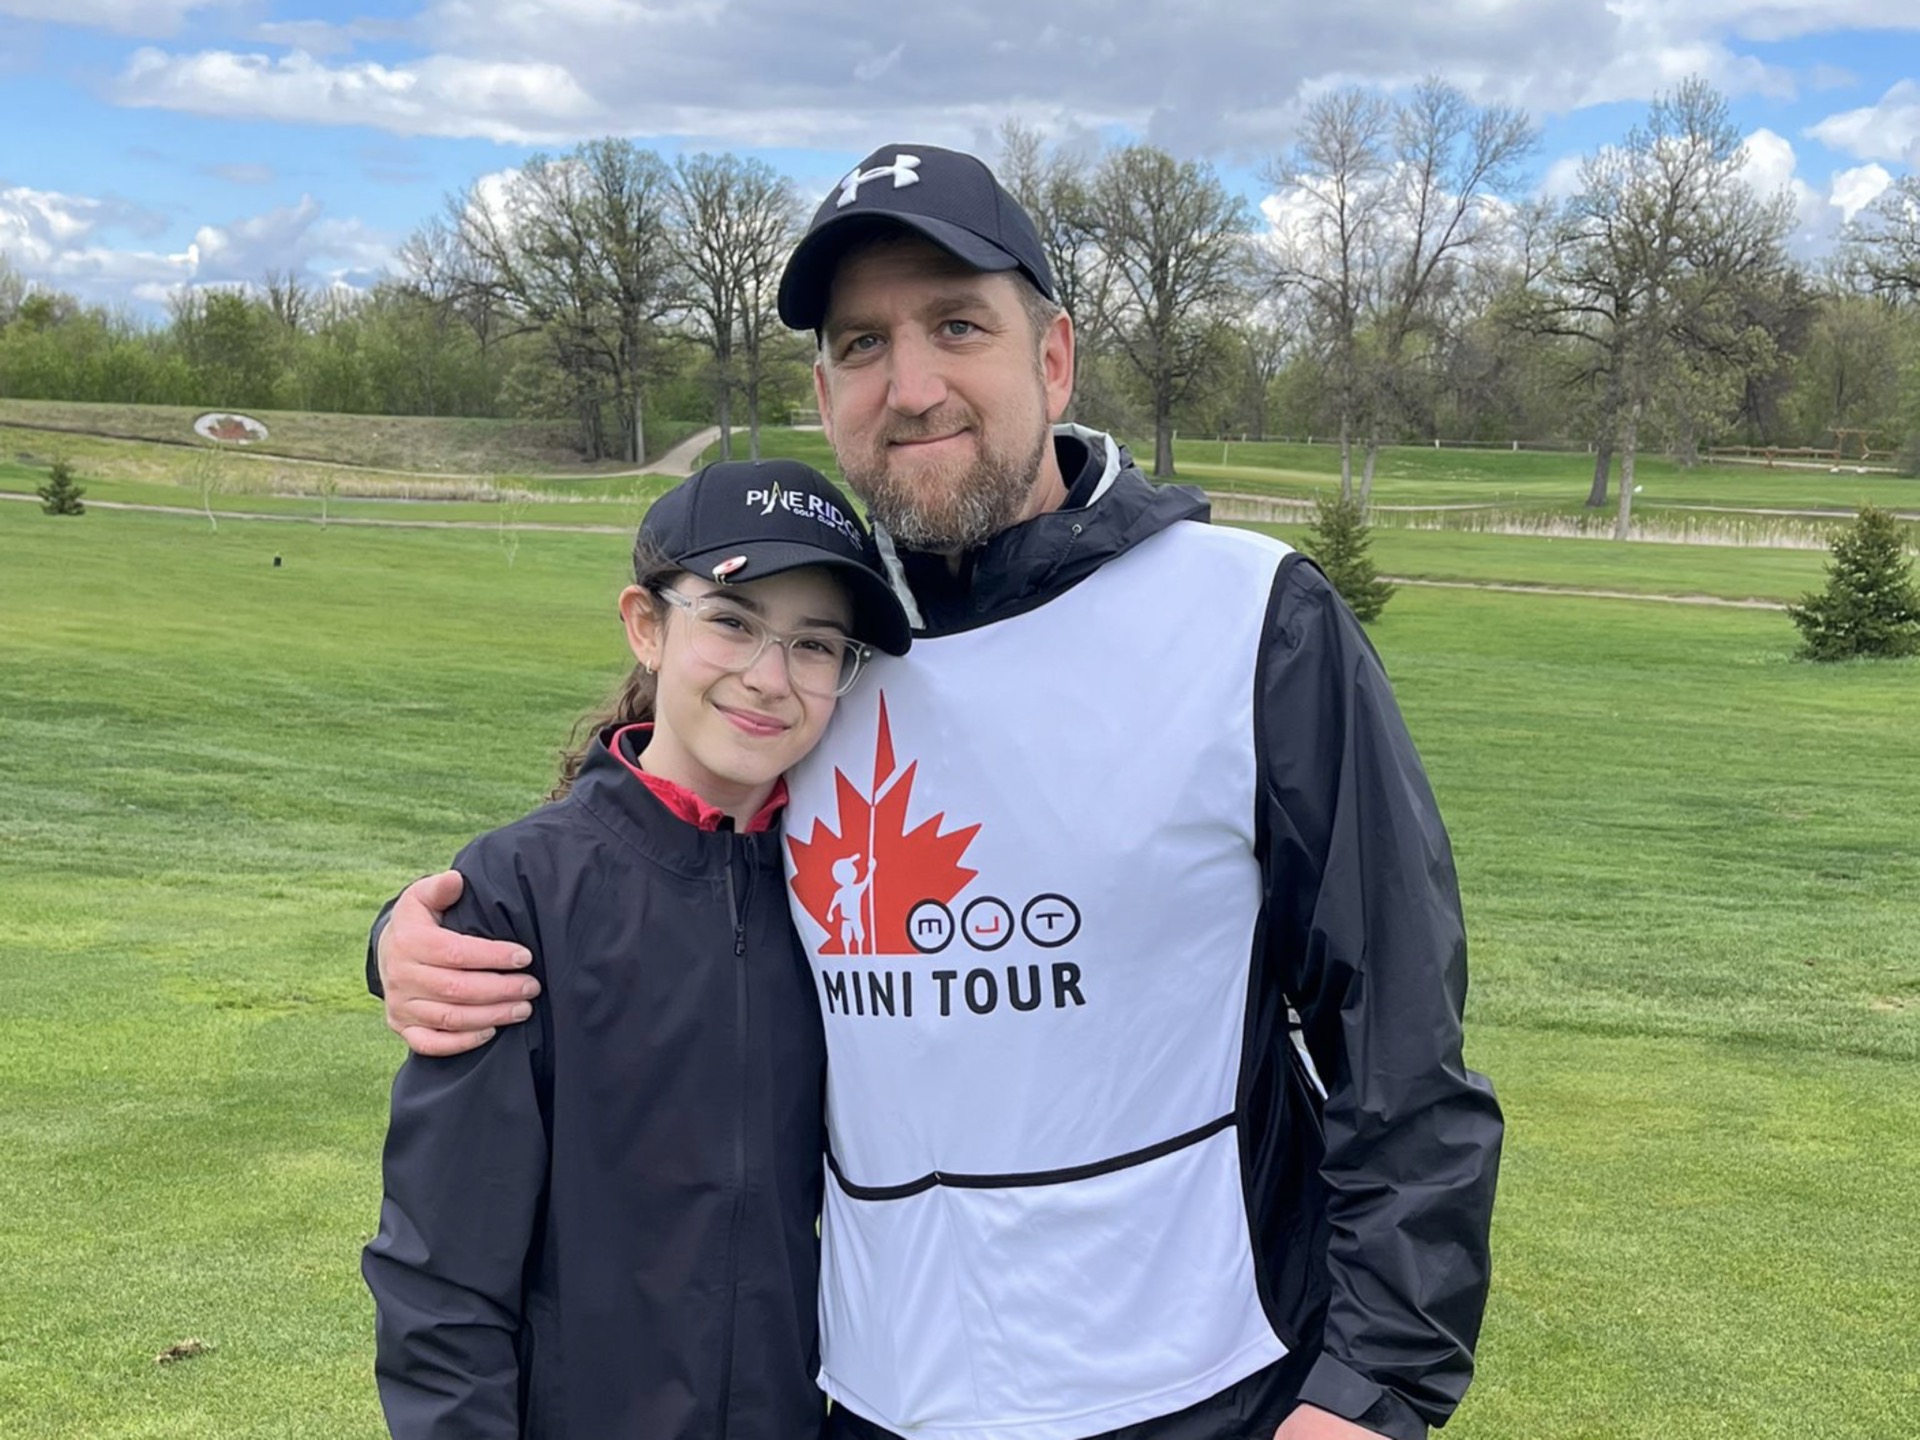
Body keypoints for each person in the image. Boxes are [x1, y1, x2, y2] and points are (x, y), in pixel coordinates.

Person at [373, 145, 1503, 1440]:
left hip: (1212, 1390)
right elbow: (640, 858)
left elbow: (1399, 1032)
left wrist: (1371, 1388)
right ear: (825, 392)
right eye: (864, 344)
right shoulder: (820, 653)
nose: (911, 387)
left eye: (958, 325)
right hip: (878, 1404)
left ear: (1054, 357)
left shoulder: (1251, 617)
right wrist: (419, 935)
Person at [361, 458, 912, 1439]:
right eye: (732, 621)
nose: (769, 677)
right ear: (647, 626)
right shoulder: (519, 896)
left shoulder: (845, 896)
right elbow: (442, 1277)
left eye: (815, 645)